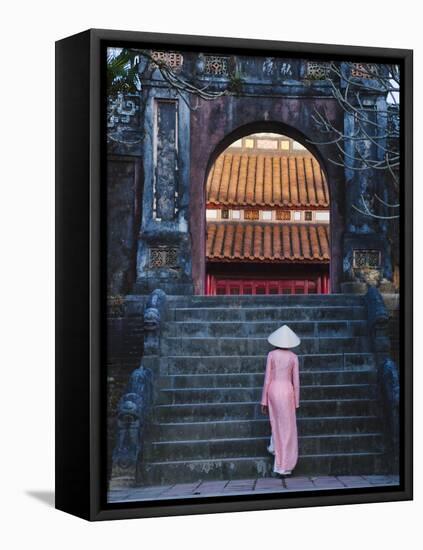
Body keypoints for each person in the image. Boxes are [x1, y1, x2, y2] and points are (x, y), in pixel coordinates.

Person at [260, 324, 301, 476]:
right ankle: (284, 465)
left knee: (276, 422)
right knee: (287, 427)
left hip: (273, 390)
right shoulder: (293, 357)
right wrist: (296, 401)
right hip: (287, 391)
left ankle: (275, 449)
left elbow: (267, 379)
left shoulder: (271, 355)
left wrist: (263, 400)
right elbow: (296, 381)